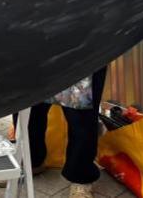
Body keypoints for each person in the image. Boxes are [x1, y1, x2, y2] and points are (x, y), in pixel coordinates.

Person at [26, 67, 108, 198]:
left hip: (77, 55)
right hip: (33, 55)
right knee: (28, 111)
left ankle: (81, 177)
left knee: (81, 119)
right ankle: (30, 160)